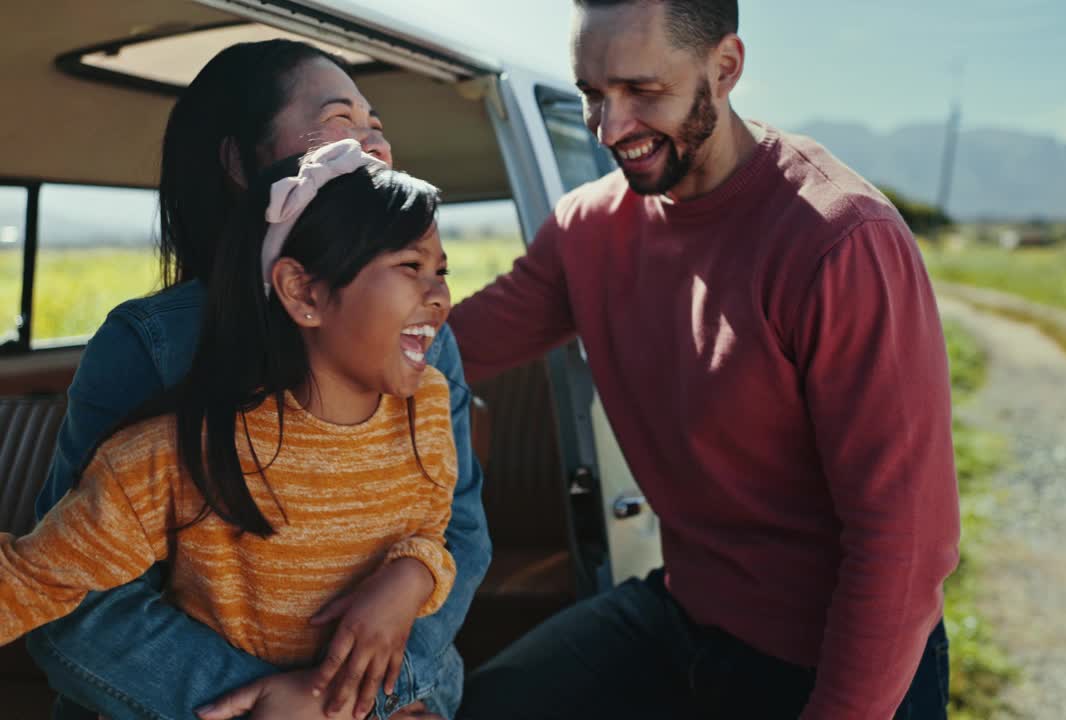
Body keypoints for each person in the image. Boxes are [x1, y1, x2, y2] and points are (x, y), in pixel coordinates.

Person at [449, 1, 959, 718]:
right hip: (685, 613)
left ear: (725, 69)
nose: (610, 127)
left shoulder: (840, 241)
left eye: (642, 91)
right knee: (484, 706)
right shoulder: (588, 231)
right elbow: (447, 347)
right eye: (593, 95)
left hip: (840, 656)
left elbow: (905, 547)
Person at [25, 41, 490, 720]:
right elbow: (74, 601)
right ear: (242, 164)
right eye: (340, 122)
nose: (375, 148)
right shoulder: (148, 347)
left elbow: (461, 529)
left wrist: (379, 680)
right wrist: (271, 706)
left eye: (378, 128)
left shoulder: (418, 337)